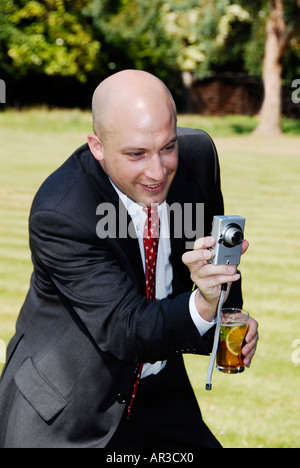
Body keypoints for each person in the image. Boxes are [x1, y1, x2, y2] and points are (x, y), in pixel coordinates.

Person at [0, 70, 258, 448]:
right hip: (69, 411)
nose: (158, 172)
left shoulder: (196, 159)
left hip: (161, 394)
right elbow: (126, 328)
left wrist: (226, 317)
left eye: (168, 147)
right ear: (97, 146)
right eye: (136, 154)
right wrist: (202, 307)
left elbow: (213, 258)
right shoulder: (63, 211)